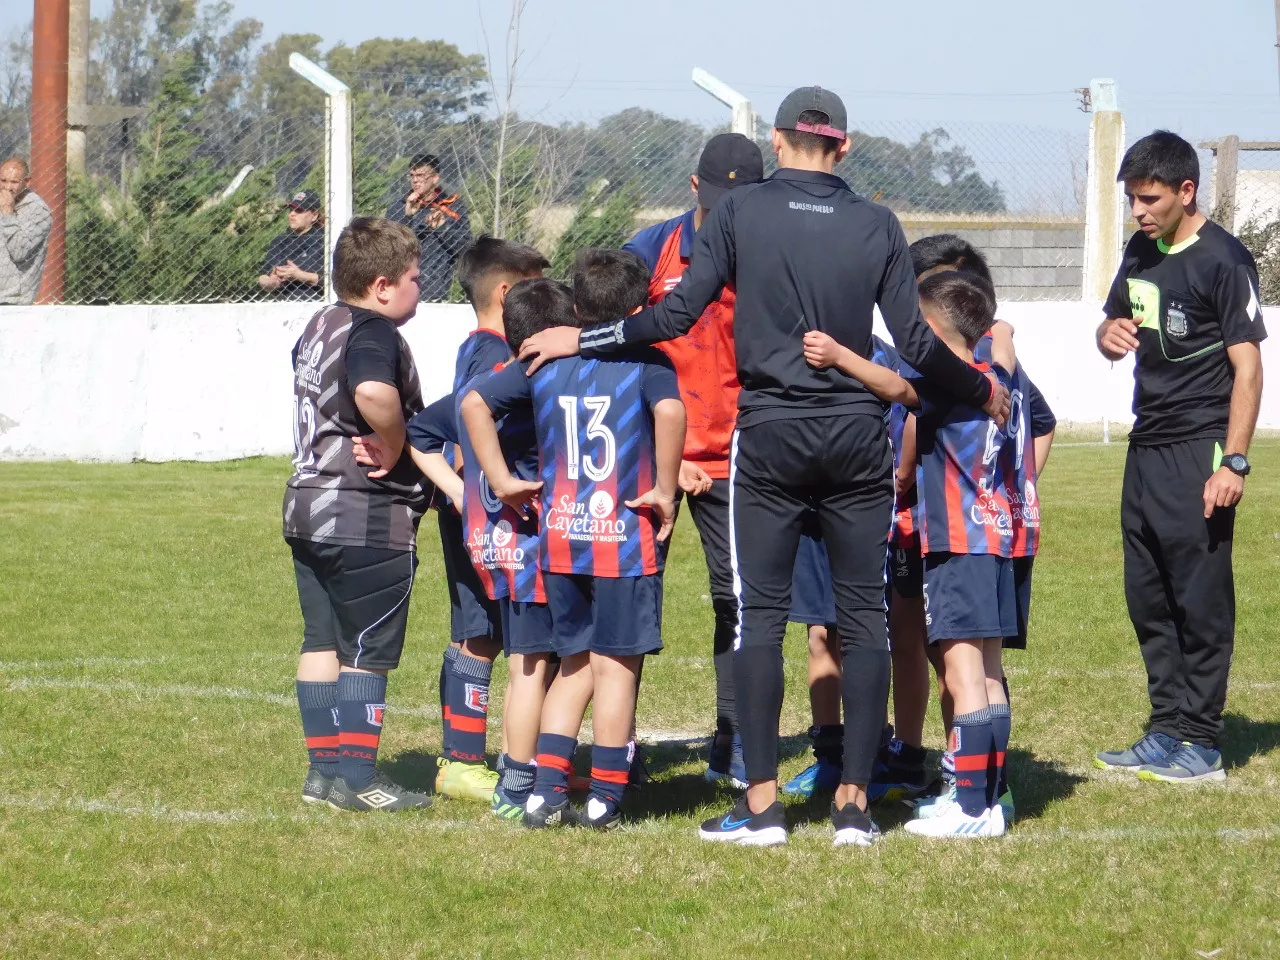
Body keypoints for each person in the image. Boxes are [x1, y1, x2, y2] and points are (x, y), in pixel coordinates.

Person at [520, 86, 1009, 848]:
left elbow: (675, 316)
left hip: (773, 436)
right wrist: (983, 389)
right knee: (865, 618)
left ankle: (761, 809)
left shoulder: (743, 213)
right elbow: (914, 343)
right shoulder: (877, 222)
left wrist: (577, 340)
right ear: (844, 147)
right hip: (856, 439)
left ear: (777, 144)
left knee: (760, 618)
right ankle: (853, 806)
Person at [463, 252, 685, 831]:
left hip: (563, 538)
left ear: (577, 309)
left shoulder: (544, 359)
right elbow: (669, 411)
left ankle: (544, 793)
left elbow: (473, 403)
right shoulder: (649, 361)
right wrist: (664, 488)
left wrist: (502, 481)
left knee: (574, 666)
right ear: (641, 310)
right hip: (624, 539)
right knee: (616, 669)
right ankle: (604, 797)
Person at [1094, 130, 1266, 784]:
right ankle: (1165, 728)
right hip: (1146, 447)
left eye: (1149, 198)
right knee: (1149, 596)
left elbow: (1248, 370)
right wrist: (1108, 337)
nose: (1138, 210)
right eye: (1133, 198)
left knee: (1199, 600)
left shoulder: (1224, 260)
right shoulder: (1140, 251)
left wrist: (1235, 463)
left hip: (1201, 447)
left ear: (1185, 191)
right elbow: (1115, 325)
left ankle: (1202, 741)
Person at [622, 132, 765, 789]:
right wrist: (661, 453)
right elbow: (614, 352)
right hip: (655, 457)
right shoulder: (650, 252)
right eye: (716, 202)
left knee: (737, 602)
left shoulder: (773, 258)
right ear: (692, 188)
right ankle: (612, 751)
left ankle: (733, 745)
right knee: (623, 597)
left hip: (738, 458)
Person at [282, 216, 431, 812]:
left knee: (322, 641)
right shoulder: (374, 331)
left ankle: (322, 774)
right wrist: (395, 445)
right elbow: (371, 393)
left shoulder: (319, 324)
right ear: (382, 285)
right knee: (366, 648)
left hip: (306, 505)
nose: (421, 287)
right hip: (362, 512)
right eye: (415, 278)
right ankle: (359, 779)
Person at [423, 236, 550, 803]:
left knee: (500, 634)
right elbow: (445, 428)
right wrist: (460, 491)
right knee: (481, 635)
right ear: (508, 291)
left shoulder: (485, 346)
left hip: (494, 512)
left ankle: (525, 756)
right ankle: (461, 761)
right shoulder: (493, 351)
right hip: (490, 518)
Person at [387, 153, 472, 302]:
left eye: (421, 175)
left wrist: (443, 228)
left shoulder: (452, 206)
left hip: (437, 290)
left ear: (435, 178)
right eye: (412, 175)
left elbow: (465, 249)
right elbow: (387, 247)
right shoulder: (399, 207)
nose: (415, 180)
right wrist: (407, 217)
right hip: (400, 287)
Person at [0, 157, 53, 305]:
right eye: (3, 181)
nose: (7, 187)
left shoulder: (38, 211)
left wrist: (7, 211)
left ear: (26, 182)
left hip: (12, 301)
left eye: (14, 182)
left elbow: (19, 251)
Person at [258, 190, 325, 300]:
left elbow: (333, 280)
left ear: (314, 215)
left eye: (299, 210)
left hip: (314, 302)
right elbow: (263, 275)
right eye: (291, 209)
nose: (292, 214)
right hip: (283, 304)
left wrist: (299, 275)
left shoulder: (324, 241)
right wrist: (271, 282)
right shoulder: (280, 241)